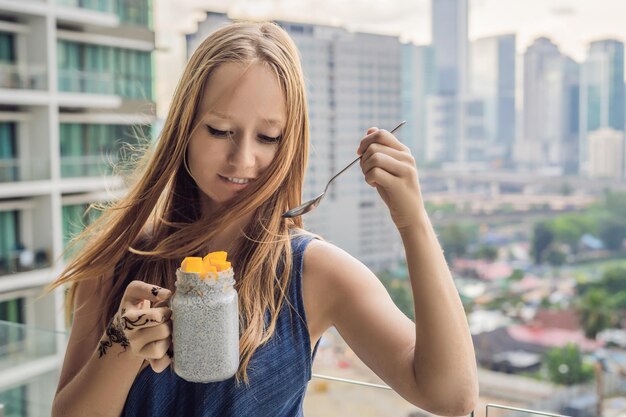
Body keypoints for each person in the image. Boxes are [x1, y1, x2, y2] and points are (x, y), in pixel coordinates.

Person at [48, 21, 478, 417]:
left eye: (268, 137)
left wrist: (413, 222)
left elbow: (452, 398)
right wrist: (123, 342)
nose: (243, 159)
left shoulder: (313, 273)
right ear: (183, 128)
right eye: (219, 130)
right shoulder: (120, 259)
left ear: (290, 142)